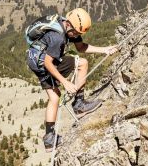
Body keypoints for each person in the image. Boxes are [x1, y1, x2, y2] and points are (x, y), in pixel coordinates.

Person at [26, 8, 118, 152]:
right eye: (75, 33)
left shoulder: (71, 27)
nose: (76, 36)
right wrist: (65, 82)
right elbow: (48, 63)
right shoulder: (57, 37)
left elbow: (81, 47)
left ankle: (50, 139)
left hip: (34, 60)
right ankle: (79, 105)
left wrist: (105, 50)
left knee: (54, 97)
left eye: (79, 34)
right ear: (68, 24)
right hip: (43, 62)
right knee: (82, 63)